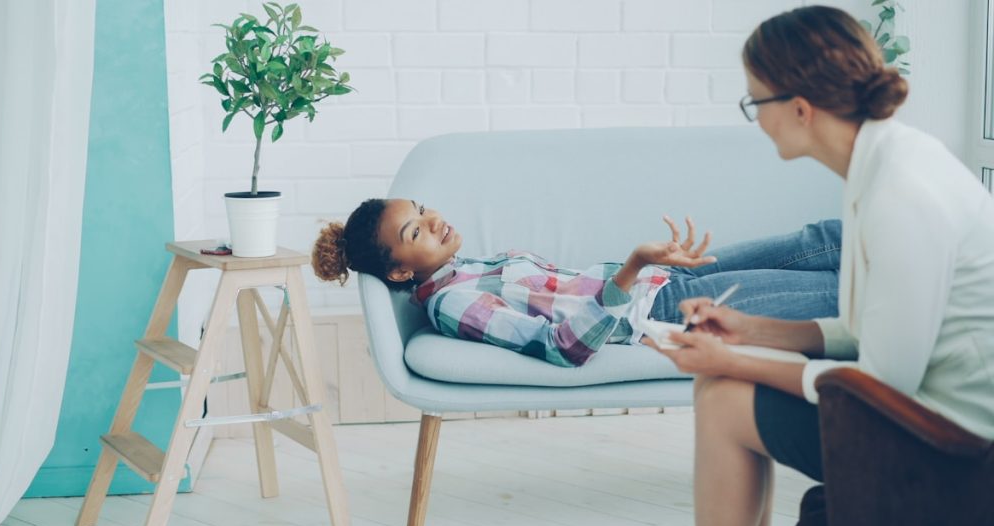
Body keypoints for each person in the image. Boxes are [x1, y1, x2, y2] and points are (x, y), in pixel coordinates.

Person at [648, 6, 994, 526]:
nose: (757, 120)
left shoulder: (902, 195)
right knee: (719, 383)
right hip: (926, 409)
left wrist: (735, 360)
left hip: (956, 445)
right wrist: (748, 330)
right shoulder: (881, 163)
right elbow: (864, 334)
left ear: (801, 108)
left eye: (754, 102)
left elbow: (882, 383)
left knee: (721, 400)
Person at [312, 196, 841, 368]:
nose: (432, 221)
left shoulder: (464, 267)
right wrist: (630, 270)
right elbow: (562, 348)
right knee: (838, 293)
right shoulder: (453, 304)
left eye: (423, 210)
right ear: (401, 271)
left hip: (663, 276)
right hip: (662, 306)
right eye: (414, 230)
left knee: (822, 239)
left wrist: (643, 268)